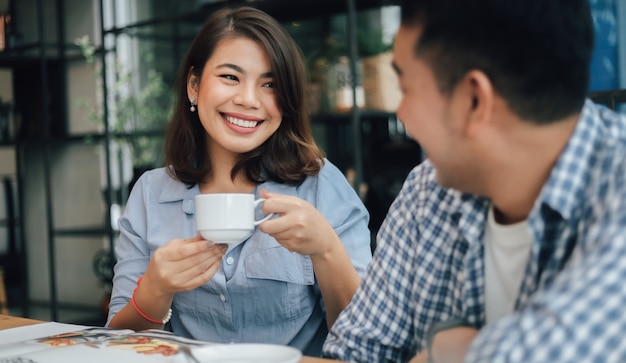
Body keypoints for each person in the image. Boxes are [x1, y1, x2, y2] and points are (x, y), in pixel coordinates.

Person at [323, 0, 626, 362]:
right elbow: (354, 354)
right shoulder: (427, 191)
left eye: (406, 89)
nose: (401, 114)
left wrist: (445, 352)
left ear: (473, 100)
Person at [106, 6, 372, 357]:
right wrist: (154, 289)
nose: (248, 99)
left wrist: (326, 250)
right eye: (230, 77)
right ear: (194, 86)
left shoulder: (321, 185)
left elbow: (368, 342)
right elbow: (115, 346)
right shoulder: (150, 194)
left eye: (270, 84)